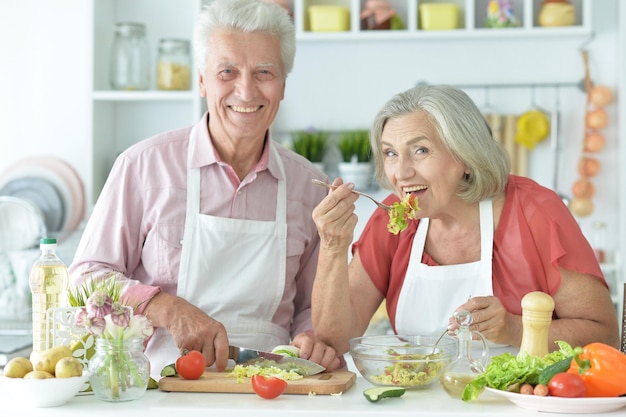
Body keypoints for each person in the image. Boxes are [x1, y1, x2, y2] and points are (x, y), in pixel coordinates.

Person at [69, 0, 341, 379]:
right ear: (201, 80)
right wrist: (167, 307)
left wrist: (311, 338)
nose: (245, 91)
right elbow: (85, 277)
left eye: (264, 71)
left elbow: (312, 309)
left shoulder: (309, 187)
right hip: (159, 387)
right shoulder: (144, 166)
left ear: (283, 84)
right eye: (227, 71)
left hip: (275, 389)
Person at [311, 84, 620, 355]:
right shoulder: (392, 220)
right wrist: (333, 246)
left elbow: (604, 337)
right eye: (390, 153)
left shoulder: (535, 212)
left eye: (420, 150)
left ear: (466, 157)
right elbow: (335, 341)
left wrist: (515, 329)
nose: (400, 173)